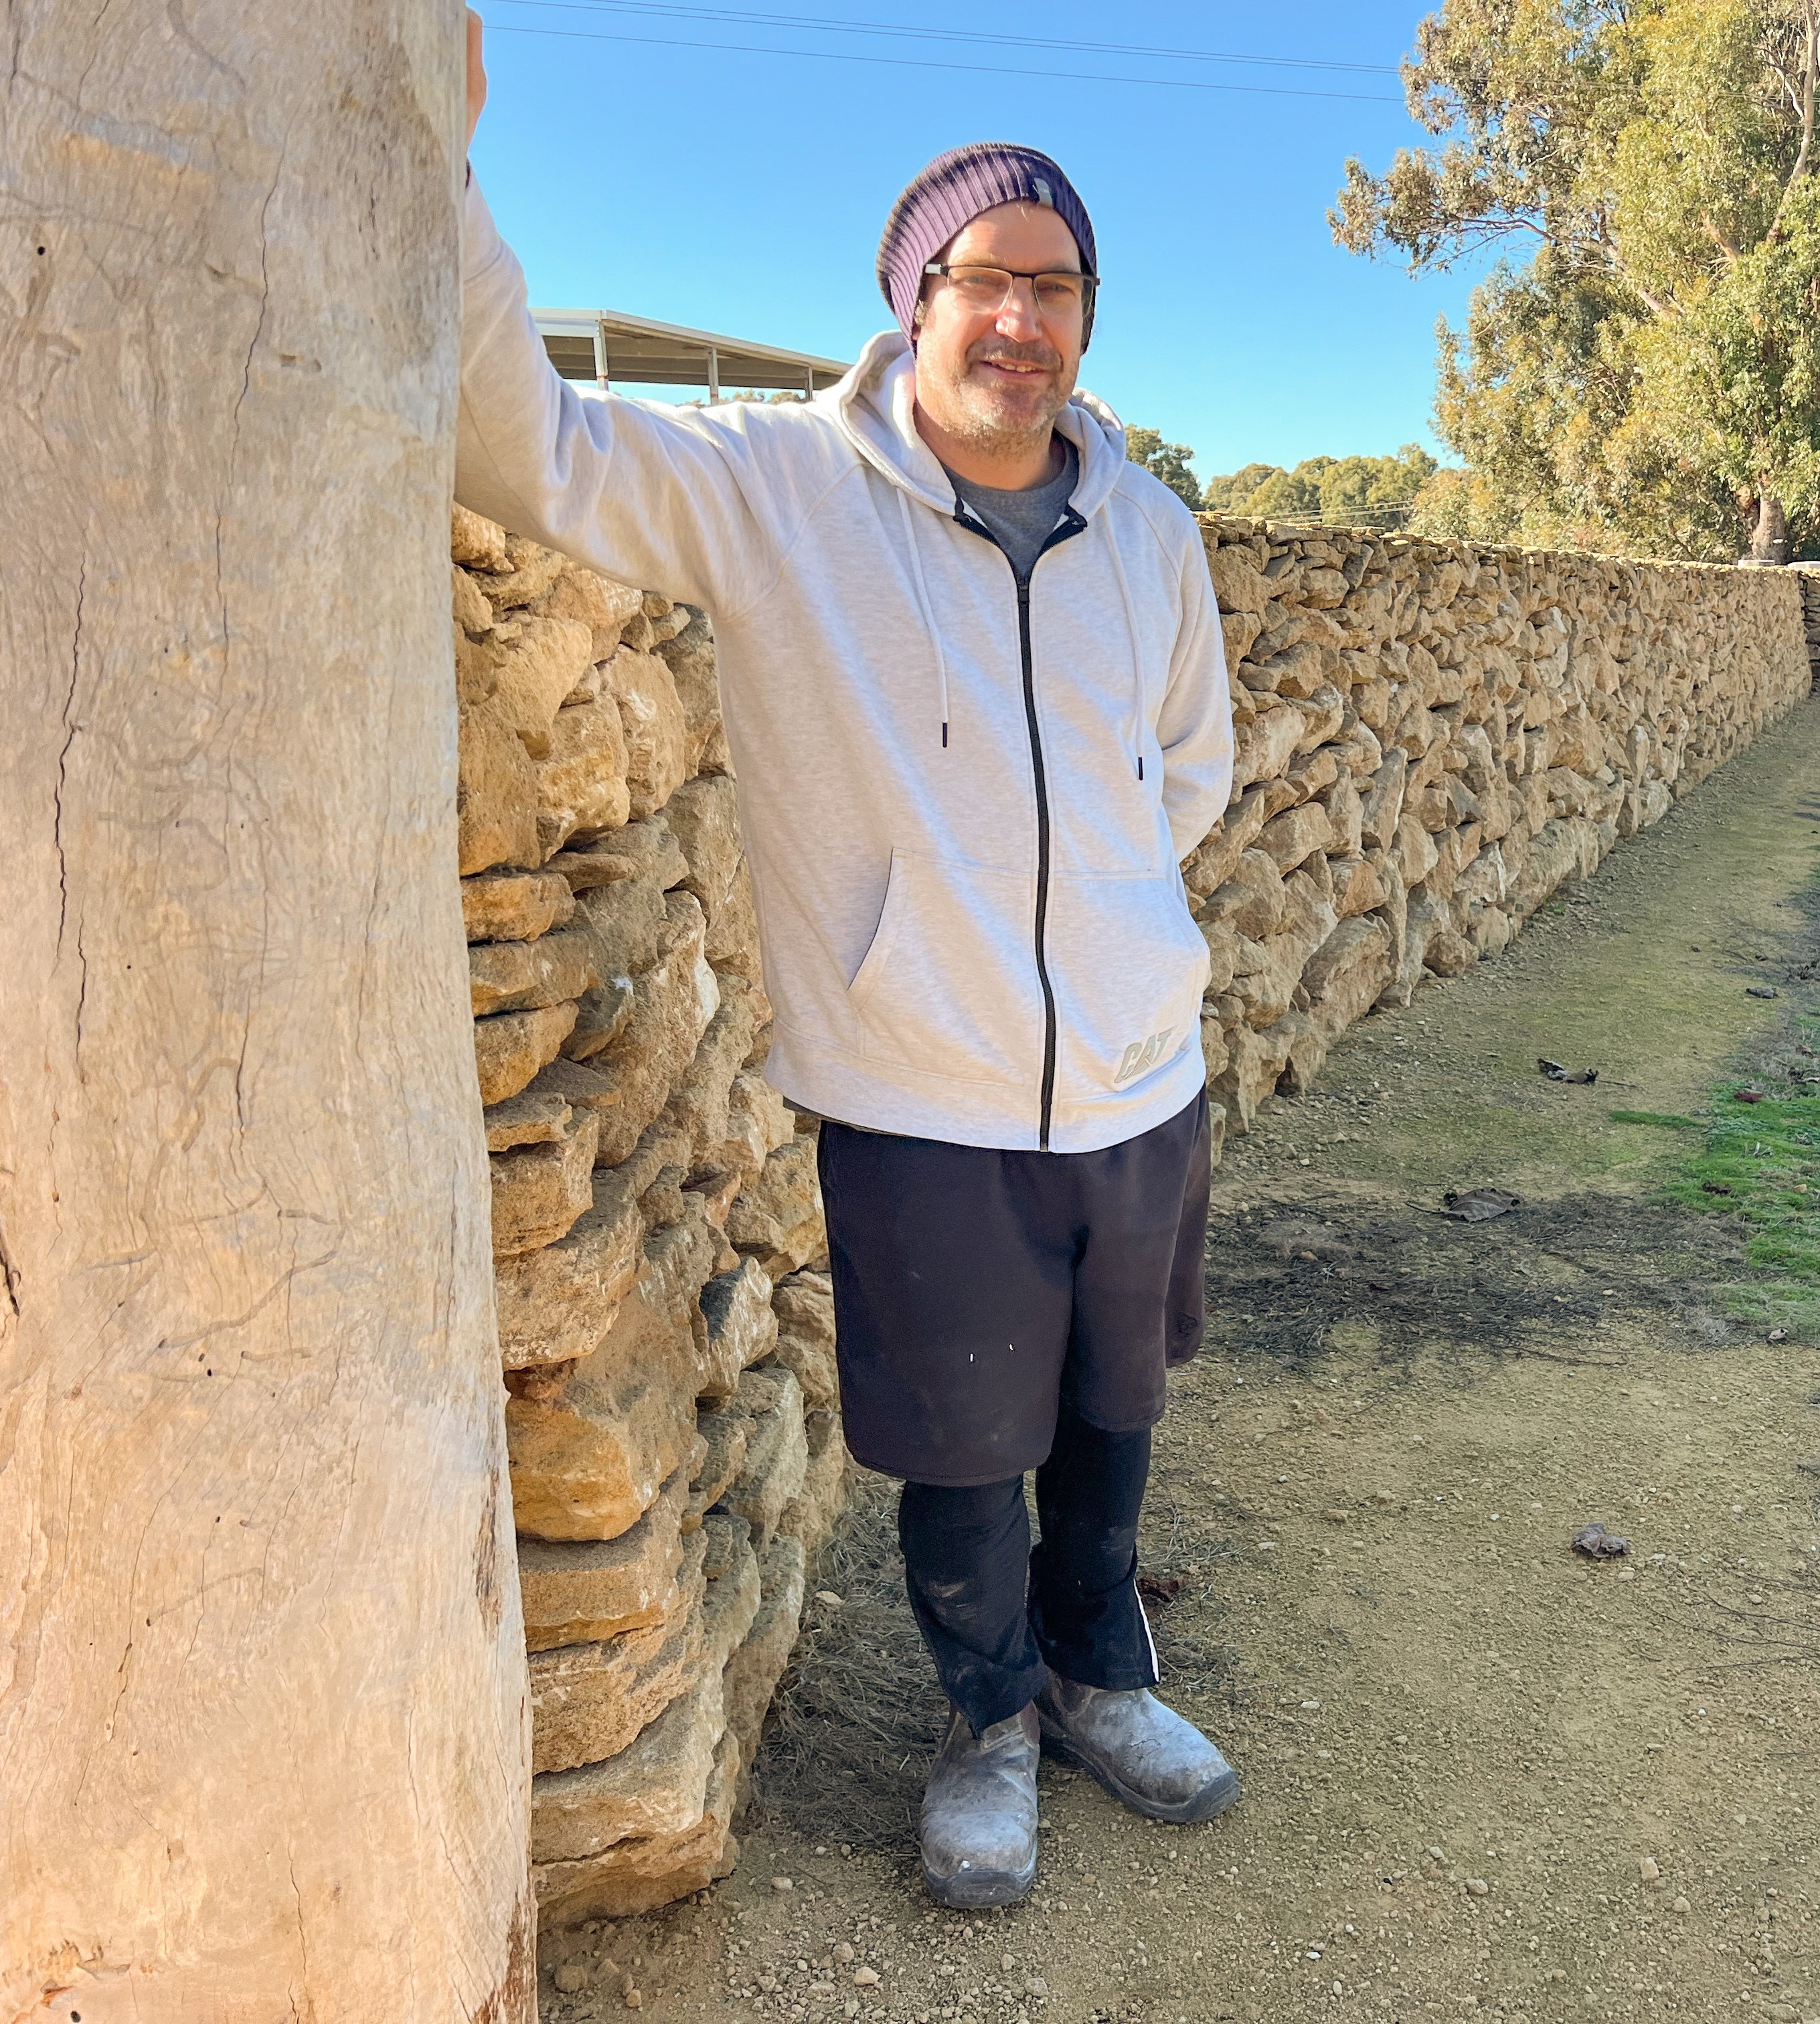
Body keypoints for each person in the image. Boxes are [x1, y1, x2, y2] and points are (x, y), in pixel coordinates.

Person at [459, 18, 1241, 1909]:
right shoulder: (779, 494)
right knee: (967, 1438)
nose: (1025, 324)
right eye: (987, 284)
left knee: (1112, 1409)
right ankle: (984, 1730)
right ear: (915, 298)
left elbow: (1188, 767)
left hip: (1138, 1073)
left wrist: (1121, 936)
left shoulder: (1152, 533)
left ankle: (1098, 1674)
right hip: (919, 1082)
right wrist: (439, 157)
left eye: (1059, 289)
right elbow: (529, 448)